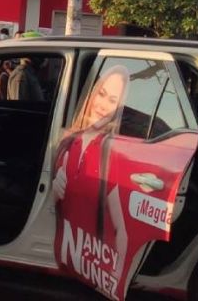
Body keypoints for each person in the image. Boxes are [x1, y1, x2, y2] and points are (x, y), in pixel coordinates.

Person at [52, 65, 130, 292]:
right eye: (102, 94)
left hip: (90, 269)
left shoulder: (111, 153)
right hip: (62, 260)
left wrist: (114, 277)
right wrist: (55, 193)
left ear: (118, 109)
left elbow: (121, 231)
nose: (102, 105)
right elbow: (52, 206)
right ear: (93, 93)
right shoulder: (67, 140)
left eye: (112, 100)